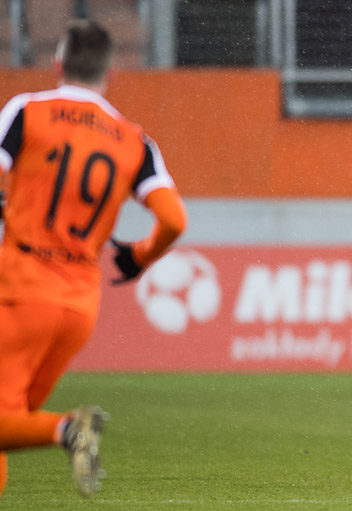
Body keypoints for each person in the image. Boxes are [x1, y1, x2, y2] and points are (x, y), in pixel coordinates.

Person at [0, 20, 186, 498]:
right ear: (112, 73)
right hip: (79, 304)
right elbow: (173, 219)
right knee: (7, 423)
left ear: (57, 64)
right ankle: (59, 429)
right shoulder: (134, 140)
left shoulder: (27, 111)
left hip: (20, 288)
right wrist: (139, 256)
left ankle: (67, 429)